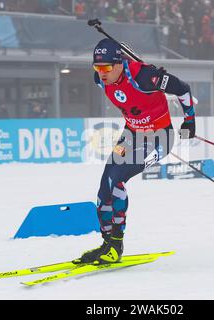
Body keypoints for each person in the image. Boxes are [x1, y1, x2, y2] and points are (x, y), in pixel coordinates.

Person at [73, 38, 196, 265]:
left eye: (106, 67)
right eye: (97, 67)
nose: (101, 73)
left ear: (119, 63)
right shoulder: (100, 79)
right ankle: (108, 244)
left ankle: (116, 245)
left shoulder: (145, 77)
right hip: (130, 136)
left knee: (118, 180)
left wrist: (189, 121)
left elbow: (183, 89)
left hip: (160, 138)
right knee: (105, 187)